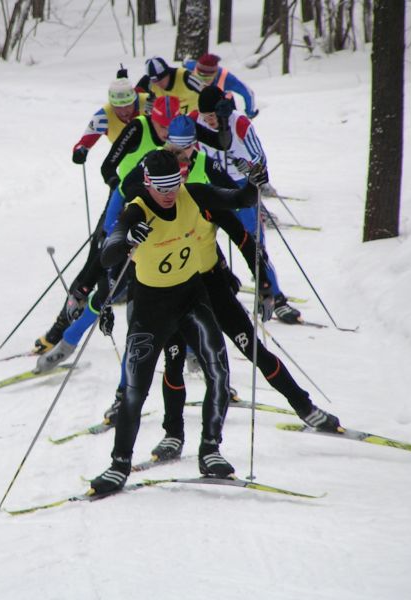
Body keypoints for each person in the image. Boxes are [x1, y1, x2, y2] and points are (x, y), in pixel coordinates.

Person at [105, 129, 341, 464]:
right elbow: (119, 231)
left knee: (253, 349)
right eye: (171, 176)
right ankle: (173, 435)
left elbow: (244, 233)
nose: (176, 183)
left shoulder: (201, 199)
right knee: (173, 362)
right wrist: (124, 241)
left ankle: (304, 406)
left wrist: (264, 284)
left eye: (183, 170)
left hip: (211, 287)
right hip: (173, 293)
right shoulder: (149, 203)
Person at [89, 149, 264, 494]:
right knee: (134, 391)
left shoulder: (192, 194)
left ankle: (210, 450)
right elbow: (107, 254)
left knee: (218, 371)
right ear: (149, 183)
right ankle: (119, 465)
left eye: (175, 183)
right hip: (150, 310)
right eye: (162, 185)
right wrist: (126, 242)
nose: (170, 192)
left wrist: (254, 180)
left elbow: (241, 198)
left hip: (191, 298)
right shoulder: (136, 211)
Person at [35, 96, 179, 372]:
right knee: (98, 269)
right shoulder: (138, 128)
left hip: (155, 217)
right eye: (163, 127)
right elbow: (108, 166)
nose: (167, 134)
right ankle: (59, 333)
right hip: (123, 203)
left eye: (171, 129)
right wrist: (120, 195)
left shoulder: (181, 150)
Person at [33, 73, 150, 356]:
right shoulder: (105, 114)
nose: (124, 112)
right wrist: (81, 150)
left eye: (128, 105)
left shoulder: (149, 106)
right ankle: (61, 327)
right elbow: (86, 139)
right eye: (118, 107)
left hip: (159, 190)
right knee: (98, 254)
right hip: (122, 189)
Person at [189, 85, 302, 324]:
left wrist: (249, 168)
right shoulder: (193, 120)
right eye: (204, 117)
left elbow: (261, 159)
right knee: (201, 240)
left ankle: (275, 297)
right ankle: (214, 291)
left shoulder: (239, 122)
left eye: (211, 117)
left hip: (241, 189)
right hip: (211, 187)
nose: (208, 122)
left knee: (255, 243)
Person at [183, 53, 258, 119]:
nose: (203, 81)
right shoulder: (192, 67)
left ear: (215, 74)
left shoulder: (227, 78)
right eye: (199, 76)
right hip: (201, 107)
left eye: (206, 78)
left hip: (224, 109)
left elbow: (248, 93)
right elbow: (185, 63)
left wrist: (250, 113)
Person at [134, 56, 202, 115]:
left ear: (168, 73)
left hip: (198, 117)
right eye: (155, 81)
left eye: (161, 79)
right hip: (175, 124)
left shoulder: (185, 76)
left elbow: (207, 91)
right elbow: (146, 104)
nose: (159, 84)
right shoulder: (151, 85)